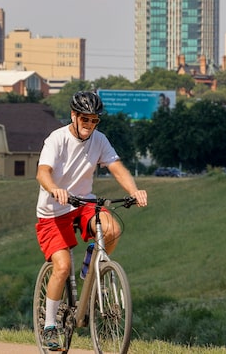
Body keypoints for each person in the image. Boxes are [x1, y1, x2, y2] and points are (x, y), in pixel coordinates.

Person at [35, 90, 148, 351]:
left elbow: (116, 166)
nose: (89, 125)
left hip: (84, 203)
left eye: (94, 120)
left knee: (113, 230)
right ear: (73, 116)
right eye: (85, 119)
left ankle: (93, 267)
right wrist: (54, 189)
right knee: (62, 267)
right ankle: (50, 325)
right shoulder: (57, 139)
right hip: (54, 209)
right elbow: (43, 173)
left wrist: (134, 191)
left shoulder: (99, 140)